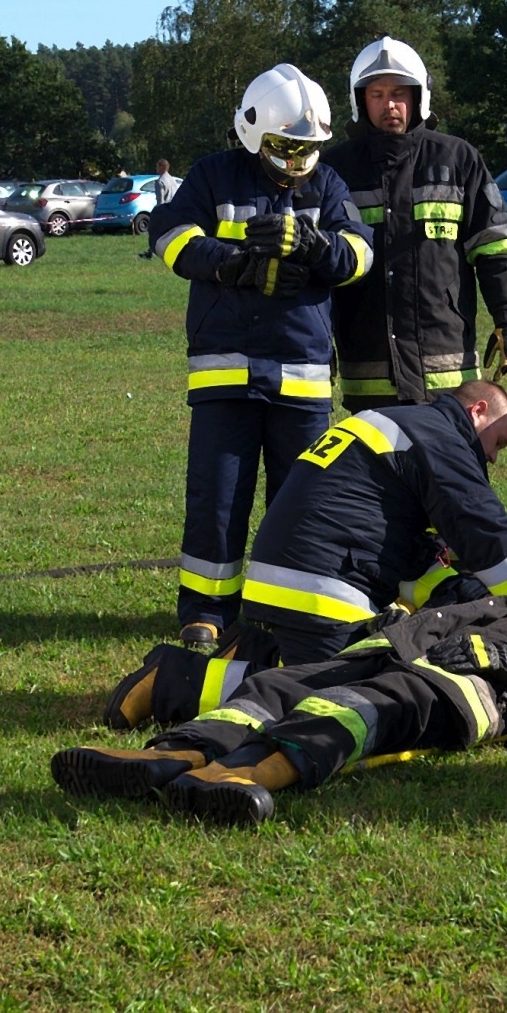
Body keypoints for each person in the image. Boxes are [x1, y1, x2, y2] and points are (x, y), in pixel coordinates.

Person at [51, 596, 507, 827]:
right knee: (276, 687)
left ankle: (245, 776)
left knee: (353, 710)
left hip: (462, 692)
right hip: (387, 651)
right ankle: (167, 757)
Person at [148, 64, 375, 646]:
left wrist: (318, 247)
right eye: (284, 147)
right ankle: (206, 611)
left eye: (307, 149)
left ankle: (285, 609)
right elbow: (170, 238)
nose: (297, 161)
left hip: (301, 377)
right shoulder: (213, 176)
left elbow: (361, 253)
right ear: (252, 132)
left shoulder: (327, 188)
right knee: (216, 498)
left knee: (300, 502)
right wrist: (232, 262)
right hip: (224, 371)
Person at [239, 380, 507, 665]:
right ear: (478, 411)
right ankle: (197, 681)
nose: (494, 457)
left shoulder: (396, 423)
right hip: (324, 596)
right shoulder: (439, 438)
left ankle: (198, 676)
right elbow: (487, 535)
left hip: (274, 586)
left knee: (283, 678)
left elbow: (401, 546)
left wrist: (464, 589)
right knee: (364, 685)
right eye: (499, 442)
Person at [321, 36, 507, 411]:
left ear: (418, 97)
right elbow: (319, 267)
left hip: (446, 375)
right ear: (359, 99)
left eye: (399, 93)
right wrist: (317, 343)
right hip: (367, 372)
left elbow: (495, 248)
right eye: (377, 94)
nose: (389, 105)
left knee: (444, 469)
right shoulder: (335, 170)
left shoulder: (458, 159)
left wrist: (506, 320)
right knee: (376, 470)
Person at [138, 158, 182, 259]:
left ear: (162, 167)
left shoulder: (160, 181)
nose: (156, 168)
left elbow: (160, 201)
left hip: (165, 211)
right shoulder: (172, 179)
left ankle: (151, 253)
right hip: (175, 210)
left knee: (154, 232)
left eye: (157, 166)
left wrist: (158, 214)